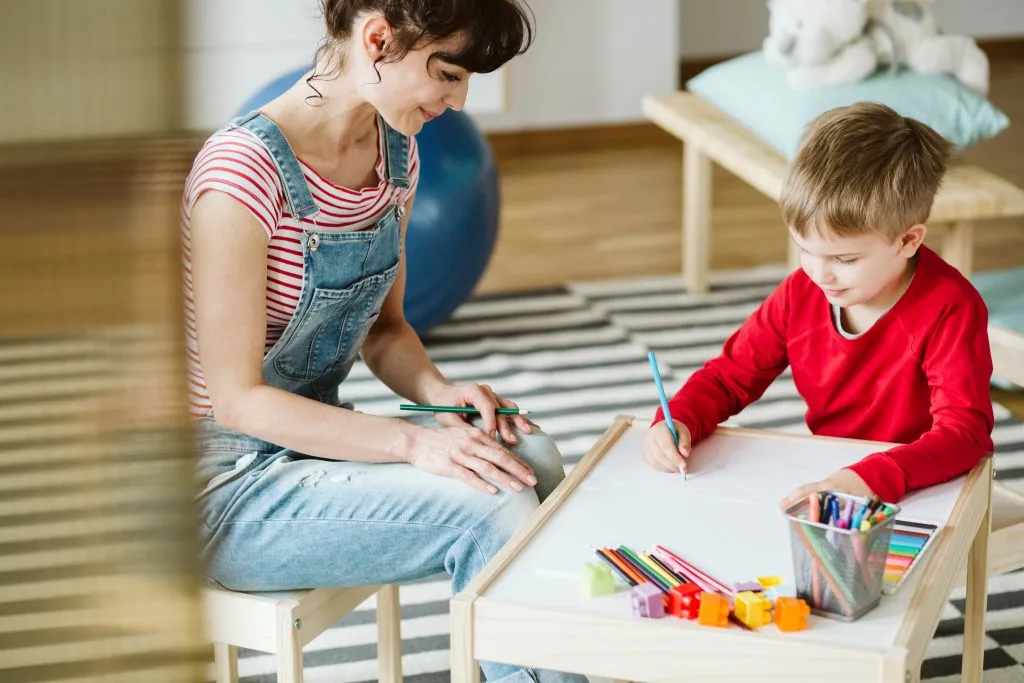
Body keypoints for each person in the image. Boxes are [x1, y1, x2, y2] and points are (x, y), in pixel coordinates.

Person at [184, 2, 587, 681]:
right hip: (226, 491)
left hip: (313, 452)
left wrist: (441, 394)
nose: (459, 101)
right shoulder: (239, 177)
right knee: (488, 506)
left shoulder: (396, 154)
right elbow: (238, 403)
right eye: (448, 73)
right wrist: (413, 440)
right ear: (377, 38)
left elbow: (386, 330)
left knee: (533, 459)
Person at [642, 102, 995, 508]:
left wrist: (869, 478)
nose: (820, 274)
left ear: (908, 241)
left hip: (923, 486)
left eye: (845, 260)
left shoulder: (951, 308)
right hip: (835, 481)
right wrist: (679, 419)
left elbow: (964, 434)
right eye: (805, 250)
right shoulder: (801, 292)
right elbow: (729, 378)